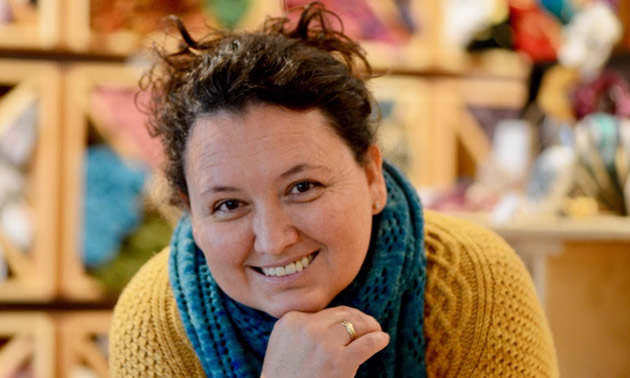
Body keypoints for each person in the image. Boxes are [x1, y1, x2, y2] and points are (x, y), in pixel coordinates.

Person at [109, 3, 558, 377]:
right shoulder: (156, 321)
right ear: (191, 215)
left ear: (371, 177)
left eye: (303, 187)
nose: (274, 238)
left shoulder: (473, 282)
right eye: (228, 204)